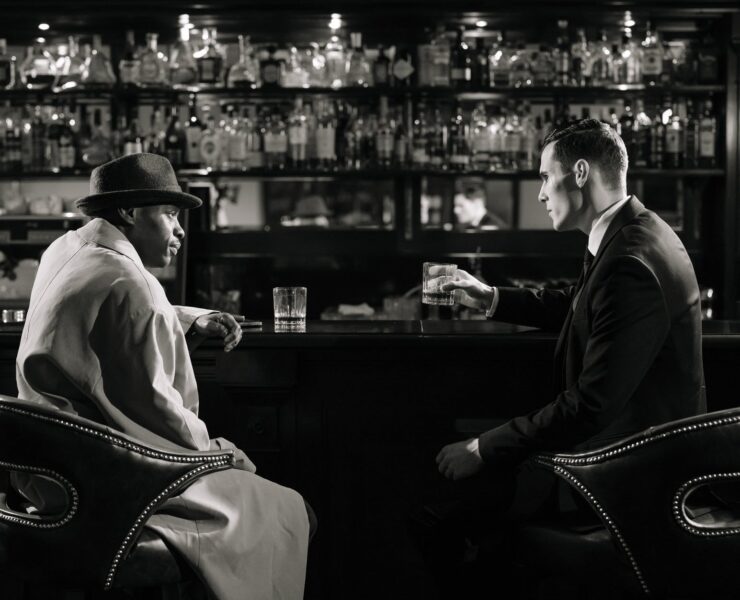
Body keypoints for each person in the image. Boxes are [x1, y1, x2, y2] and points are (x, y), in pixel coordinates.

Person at [411, 119, 706, 596]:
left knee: (434, 513)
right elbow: (580, 303)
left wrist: (484, 447)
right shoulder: (634, 232)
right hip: (623, 456)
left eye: (546, 177)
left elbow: (591, 405)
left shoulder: (630, 260)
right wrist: (490, 298)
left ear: (582, 173)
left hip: (621, 474)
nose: (541, 192)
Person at [14, 153, 313, 600]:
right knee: (291, 510)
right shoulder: (132, 284)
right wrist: (219, 455)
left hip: (40, 469)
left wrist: (190, 318)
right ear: (131, 213)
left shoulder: (65, 249)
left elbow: (102, 307)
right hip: (103, 481)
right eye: (170, 214)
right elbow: (158, 417)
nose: (179, 231)